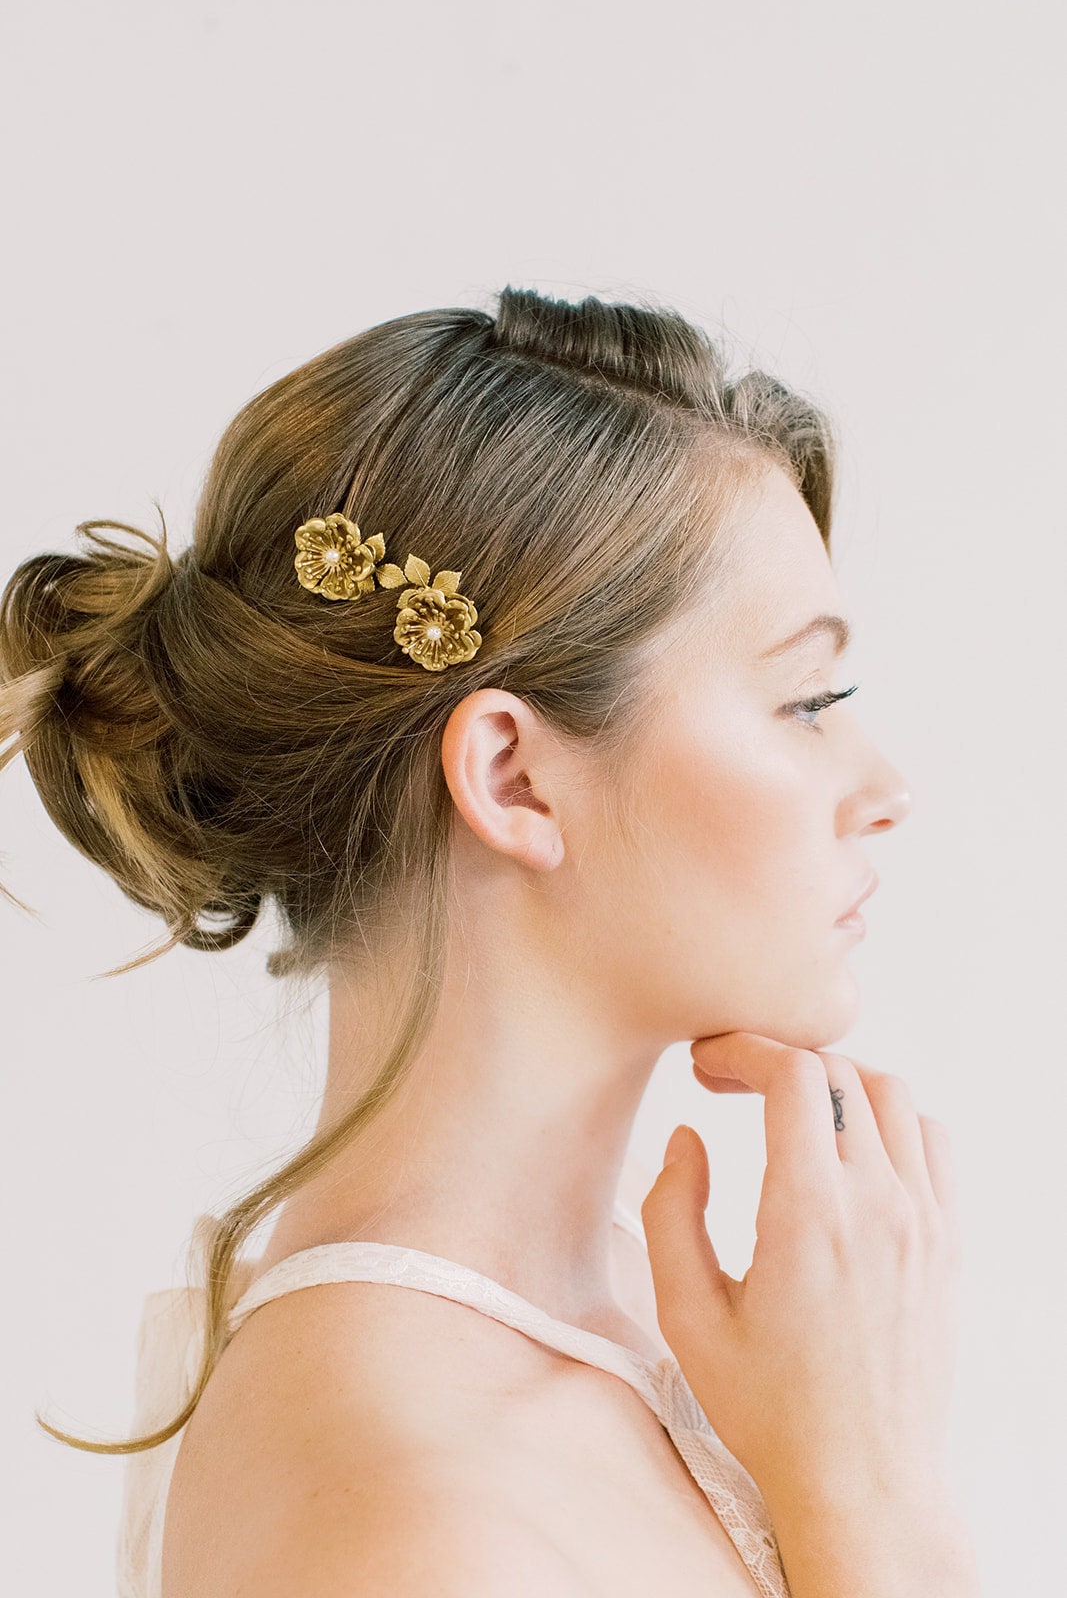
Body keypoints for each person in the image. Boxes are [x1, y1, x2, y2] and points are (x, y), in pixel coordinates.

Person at [1, 286, 981, 1596]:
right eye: (807, 700)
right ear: (514, 778)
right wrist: (872, 1501)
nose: (885, 789)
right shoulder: (413, 1527)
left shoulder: (689, 1336)